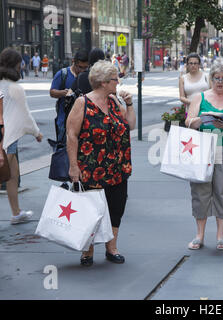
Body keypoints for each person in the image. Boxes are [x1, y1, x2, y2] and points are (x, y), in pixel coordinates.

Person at [66, 60, 136, 266]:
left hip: (117, 167)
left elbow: (130, 125)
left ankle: (111, 248)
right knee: (90, 211)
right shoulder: (83, 103)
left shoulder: (115, 102)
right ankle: (87, 251)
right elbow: (71, 135)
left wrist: (130, 104)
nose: (118, 82)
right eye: (115, 79)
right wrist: (73, 166)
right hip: (91, 167)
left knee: (116, 208)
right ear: (104, 82)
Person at [185, 58, 223, 251]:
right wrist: (200, 120)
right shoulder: (199, 98)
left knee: (222, 191)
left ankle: (221, 235)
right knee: (200, 191)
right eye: (217, 78)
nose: (220, 82)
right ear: (211, 78)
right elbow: (188, 122)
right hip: (202, 149)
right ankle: (199, 235)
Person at [0, 48, 43, 224]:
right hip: (6, 138)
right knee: (5, 174)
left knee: (12, 175)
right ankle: (16, 213)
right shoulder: (15, 88)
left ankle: (17, 212)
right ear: (17, 65)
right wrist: (36, 132)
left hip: (6, 136)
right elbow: (24, 115)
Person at [50, 50, 89, 142]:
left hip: (84, 122)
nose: (82, 70)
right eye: (80, 67)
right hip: (64, 121)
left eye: (85, 67)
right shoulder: (63, 74)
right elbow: (52, 92)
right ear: (73, 62)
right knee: (63, 151)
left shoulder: (88, 76)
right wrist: (64, 93)